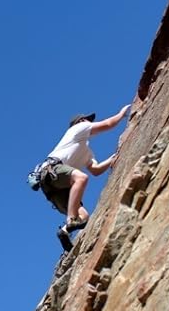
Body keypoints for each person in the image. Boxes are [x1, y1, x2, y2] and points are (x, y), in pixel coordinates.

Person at [36, 104, 131, 250]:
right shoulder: (76, 130)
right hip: (51, 171)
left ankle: (65, 231)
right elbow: (107, 124)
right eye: (87, 120)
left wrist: (113, 158)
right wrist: (120, 114)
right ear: (80, 122)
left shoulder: (87, 152)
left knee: (84, 218)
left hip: (55, 188)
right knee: (81, 178)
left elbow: (96, 170)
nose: (90, 122)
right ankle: (70, 219)